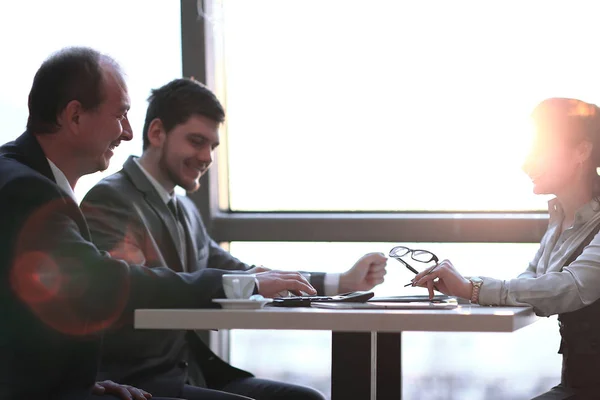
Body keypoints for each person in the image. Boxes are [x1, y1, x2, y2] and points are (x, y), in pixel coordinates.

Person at [0, 47, 315, 400]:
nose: (128, 133)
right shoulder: (24, 189)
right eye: (120, 115)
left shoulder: (28, 180)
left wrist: (83, 383)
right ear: (75, 116)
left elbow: (40, 310)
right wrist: (237, 287)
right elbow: (105, 282)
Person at [79, 77, 388, 400]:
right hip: (139, 380)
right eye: (196, 141)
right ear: (157, 133)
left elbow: (241, 272)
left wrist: (342, 282)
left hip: (191, 373)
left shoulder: (184, 209)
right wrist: (249, 283)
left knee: (305, 398)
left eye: (212, 147)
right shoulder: (111, 198)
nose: (207, 157)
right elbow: (131, 286)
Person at [411, 97, 600, 399]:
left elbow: (573, 287)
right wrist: (462, 285)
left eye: (541, 148)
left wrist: (472, 288)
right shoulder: (560, 220)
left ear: (582, 150)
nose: (526, 162)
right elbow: (531, 282)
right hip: (578, 385)